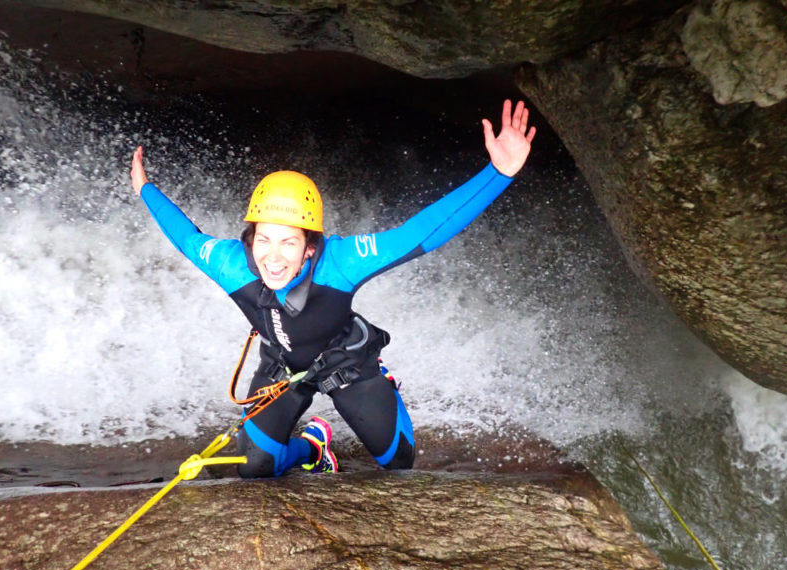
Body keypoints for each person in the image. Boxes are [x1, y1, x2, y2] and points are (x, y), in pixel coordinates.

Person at [130, 99, 536, 478]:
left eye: (289, 242)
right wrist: (145, 188)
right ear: (250, 238)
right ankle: (314, 449)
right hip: (281, 368)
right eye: (264, 239)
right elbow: (185, 237)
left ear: (309, 247)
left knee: (398, 462)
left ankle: (383, 382)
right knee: (256, 469)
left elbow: (419, 234)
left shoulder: (341, 262)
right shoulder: (231, 263)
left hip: (345, 363)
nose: (273, 257)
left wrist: (498, 174)